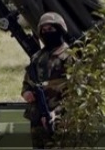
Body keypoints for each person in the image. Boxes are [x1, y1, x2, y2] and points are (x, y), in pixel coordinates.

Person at [22, 12, 75, 149]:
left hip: (61, 119)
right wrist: (26, 93)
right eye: (44, 30)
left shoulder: (69, 57)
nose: (47, 33)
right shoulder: (37, 58)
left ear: (60, 29)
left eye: (51, 29)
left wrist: (55, 113)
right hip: (37, 118)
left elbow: (75, 92)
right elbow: (26, 83)